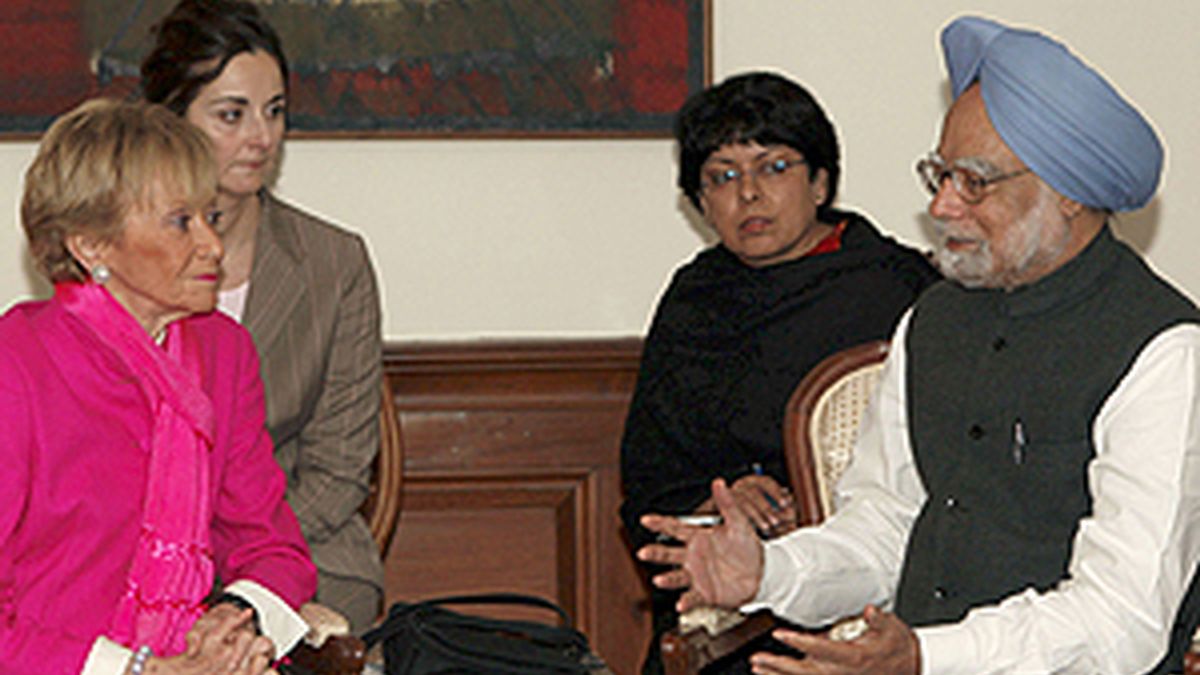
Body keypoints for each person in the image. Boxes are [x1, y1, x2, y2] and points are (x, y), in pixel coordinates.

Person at [638, 15, 1200, 674]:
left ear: (1068, 193)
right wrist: (770, 569)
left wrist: (926, 655)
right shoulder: (932, 320)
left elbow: (1121, 623)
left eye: (975, 182)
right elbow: (885, 528)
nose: (941, 207)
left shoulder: (1164, 350)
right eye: (940, 174)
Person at [619, 71, 939, 673]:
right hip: (730, 602)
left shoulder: (898, 289)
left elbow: (944, 469)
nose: (749, 195)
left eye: (774, 167)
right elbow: (650, 479)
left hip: (874, 595)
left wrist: (816, 512)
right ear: (700, 201)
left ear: (820, 182)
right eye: (723, 176)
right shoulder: (695, 301)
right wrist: (721, 503)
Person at [0, 98, 318, 674]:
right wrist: (135, 671)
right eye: (180, 222)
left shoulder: (223, 352)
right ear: (91, 245)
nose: (212, 246)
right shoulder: (16, 365)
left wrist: (234, 622)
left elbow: (273, 549)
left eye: (211, 217)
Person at [141, 0, 385, 630]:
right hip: (142, 554)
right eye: (232, 114)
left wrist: (239, 565)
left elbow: (338, 473)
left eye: (274, 112)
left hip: (305, 550)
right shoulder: (127, 257)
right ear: (172, 121)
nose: (262, 137)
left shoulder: (335, 263)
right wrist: (176, 559)